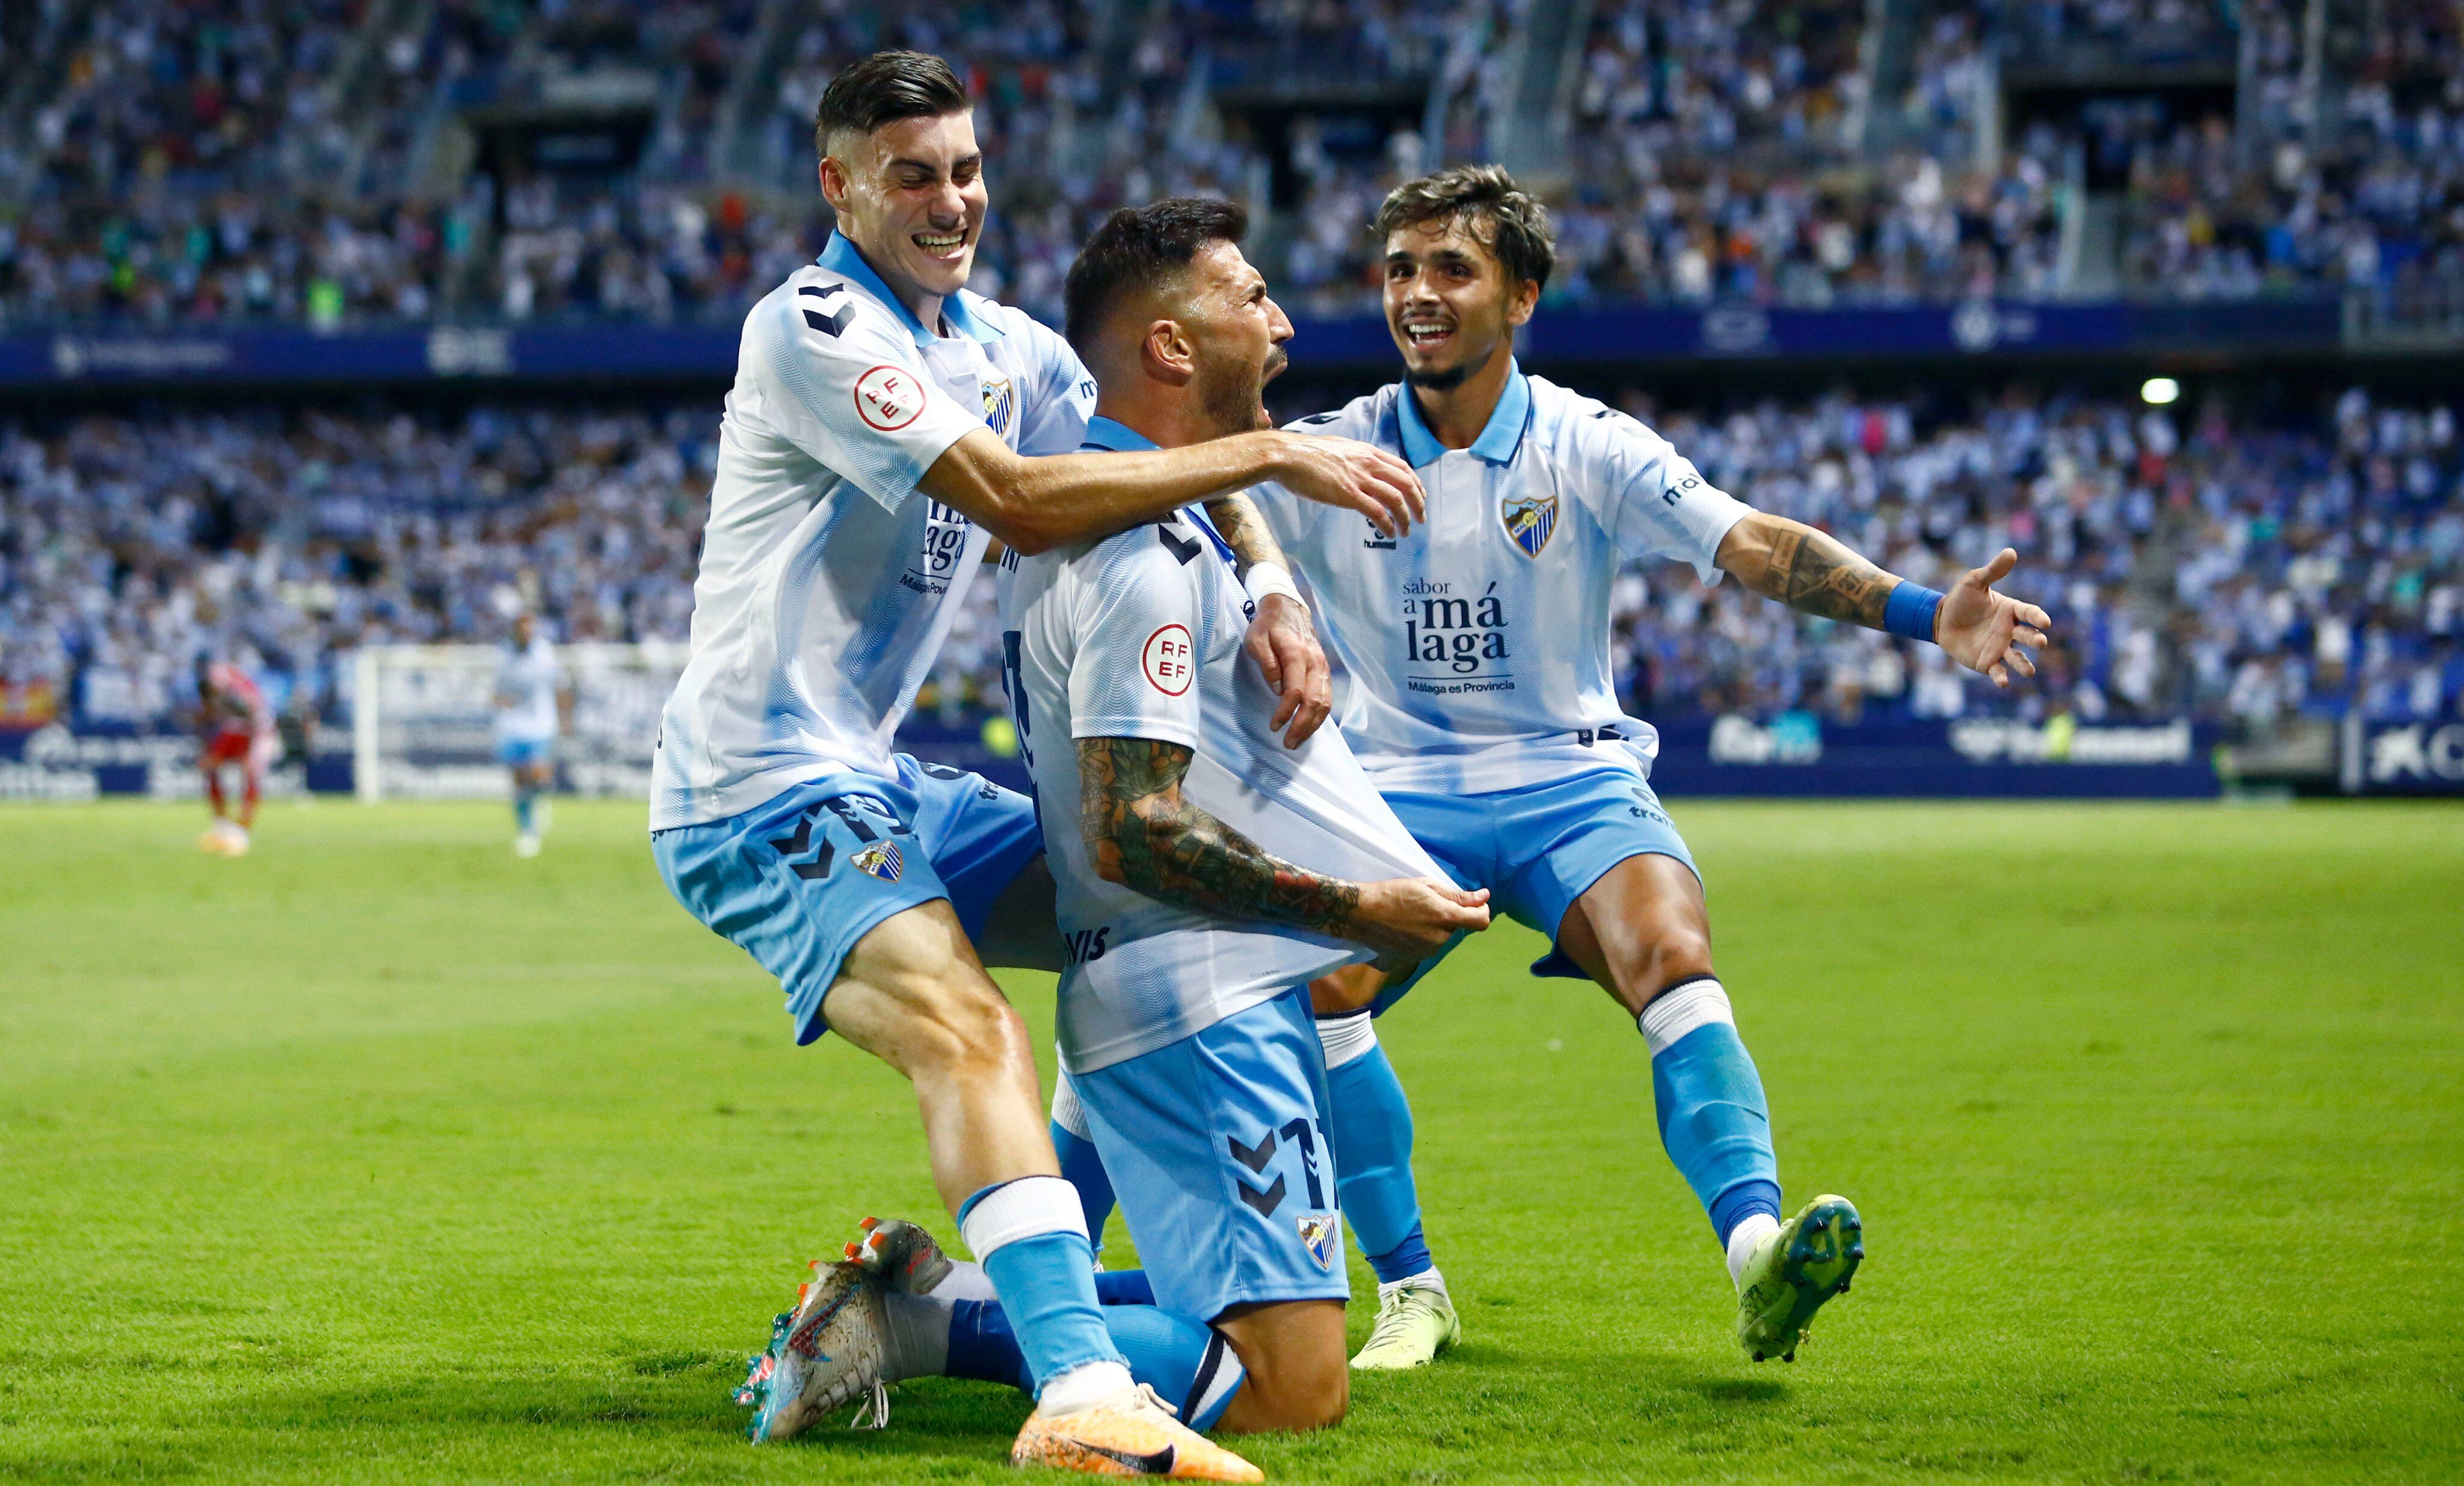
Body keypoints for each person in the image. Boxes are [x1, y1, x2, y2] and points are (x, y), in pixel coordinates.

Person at [648, 51, 1426, 1477]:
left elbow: (1138, 448)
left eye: (963, 169)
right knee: (972, 1033)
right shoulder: (814, 325)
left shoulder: (1003, 346)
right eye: (912, 176)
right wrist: (1276, 467)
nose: (951, 200)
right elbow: (1014, 496)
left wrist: (1271, 592)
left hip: (881, 780)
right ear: (839, 187)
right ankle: (1077, 1383)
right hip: (755, 785)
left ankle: (935, 1306)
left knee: (1168, 922)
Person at [1237, 166, 2053, 1370]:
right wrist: (1265, 578)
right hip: (1392, 786)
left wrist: (1927, 611)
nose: (1417, 292)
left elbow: (1752, 541)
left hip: (1569, 778)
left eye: (1450, 269)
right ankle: (1411, 1290)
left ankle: (1759, 1256)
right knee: (1317, 991)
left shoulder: (1585, 440)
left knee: (1671, 954)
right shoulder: (1332, 448)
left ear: (1519, 295)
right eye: (1400, 269)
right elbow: (1218, 484)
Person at [802, 197, 1489, 1442]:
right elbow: (1137, 829)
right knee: (1290, 1385)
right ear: (1170, 348)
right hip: (1195, 1003)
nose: (1281, 324)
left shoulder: (1146, 520)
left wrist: (1273, 585)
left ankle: (940, 1301)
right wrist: (1355, 908)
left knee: (1263, 1323)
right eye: (1251, 298)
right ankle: (919, 1317)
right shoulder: (1134, 562)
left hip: (1184, 990)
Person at [495, 613, 569, 857]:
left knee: (539, 774)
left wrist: (565, 717)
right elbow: (497, 693)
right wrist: (502, 701)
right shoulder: (504, 655)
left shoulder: (544, 654)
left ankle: (540, 803)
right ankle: (527, 830)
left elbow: (561, 684)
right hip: (514, 724)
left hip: (541, 723)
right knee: (519, 780)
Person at [193, 656, 275, 857]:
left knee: (248, 776)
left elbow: (250, 715)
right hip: (247, 730)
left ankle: (240, 834)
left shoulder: (233, 693)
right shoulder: (235, 690)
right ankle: (224, 828)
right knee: (219, 771)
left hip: (257, 734)